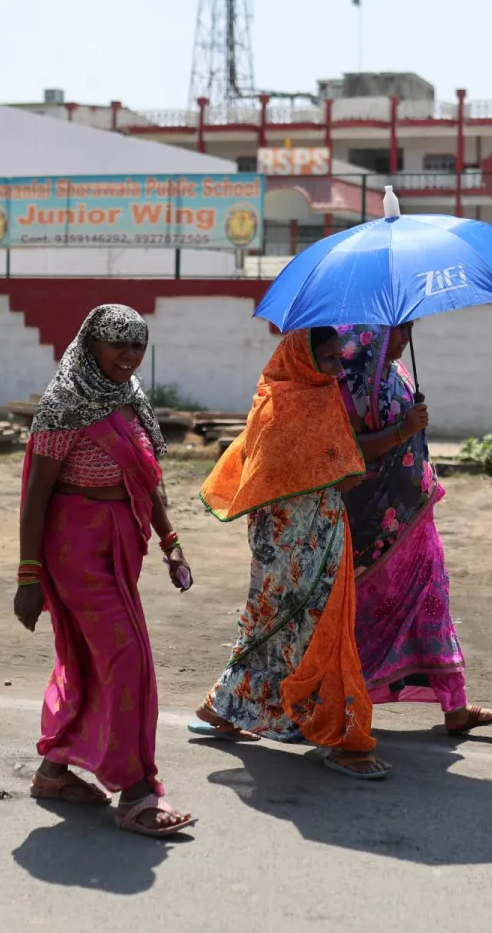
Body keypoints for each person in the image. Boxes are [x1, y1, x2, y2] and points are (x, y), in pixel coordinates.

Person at [13, 304, 196, 838]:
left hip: (122, 537)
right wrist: (28, 577)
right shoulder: (62, 404)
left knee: (96, 662)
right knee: (128, 658)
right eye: (117, 344)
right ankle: (137, 790)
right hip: (75, 544)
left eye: (137, 345)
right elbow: (35, 495)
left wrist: (172, 542)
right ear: (90, 345)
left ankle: (55, 770)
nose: (129, 356)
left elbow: (146, 479)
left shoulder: (129, 395)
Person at [191, 327, 390, 780]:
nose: (338, 367)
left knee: (275, 623)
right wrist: (344, 471)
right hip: (299, 540)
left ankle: (224, 707)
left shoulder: (291, 396)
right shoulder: (291, 402)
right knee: (317, 629)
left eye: (339, 358)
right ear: (302, 358)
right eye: (328, 358)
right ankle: (342, 737)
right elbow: (331, 473)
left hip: (293, 538)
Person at [334, 323, 492, 735]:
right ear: (372, 334)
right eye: (398, 330)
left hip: (416, 513)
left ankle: (456, 706)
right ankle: (344, 703)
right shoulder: (351, 384)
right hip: (372, 528)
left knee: (434, 601)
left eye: (410, 329)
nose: (405, 339)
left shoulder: (399, 372)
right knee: (363, 617)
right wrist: (403, 430)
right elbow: (348, 449)